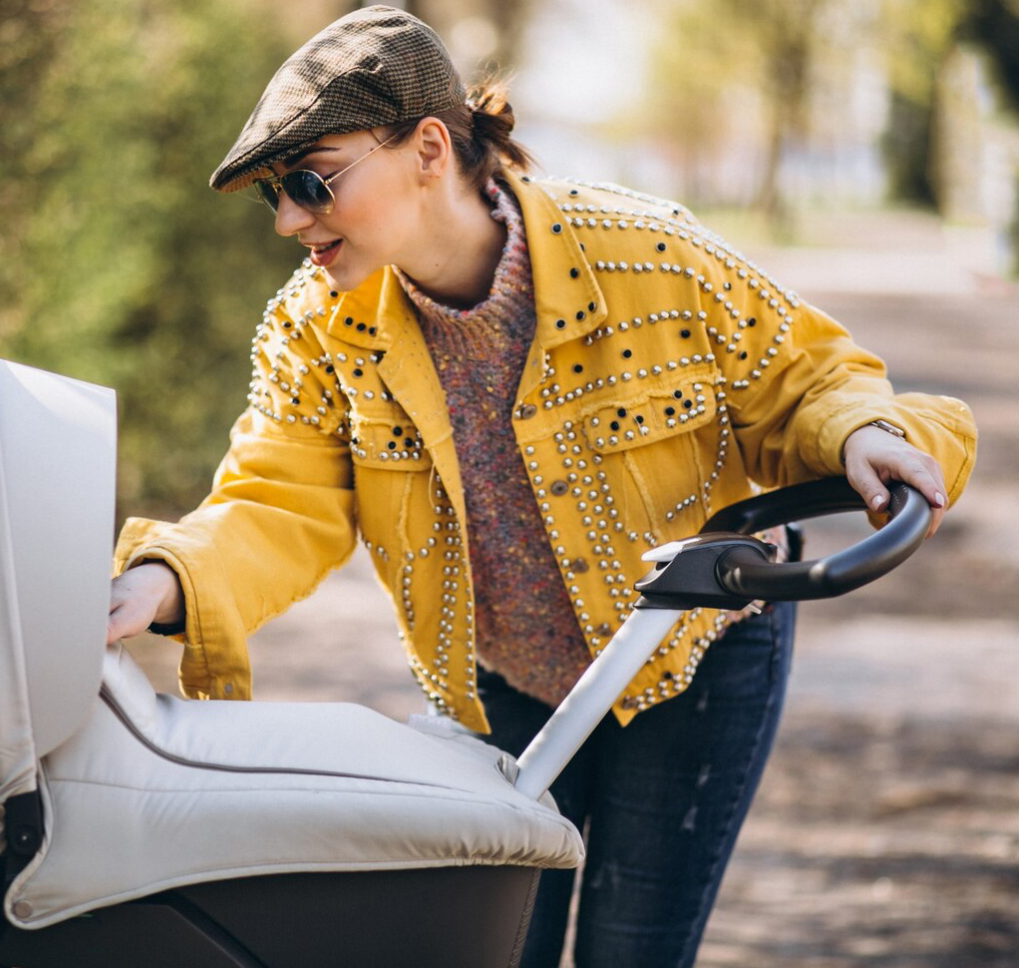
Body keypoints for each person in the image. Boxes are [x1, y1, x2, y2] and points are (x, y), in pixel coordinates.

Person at [104, 7, 977, 967]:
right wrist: (161, 580)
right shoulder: (317, 331)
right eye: (274, 192)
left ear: (429, 148)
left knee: (632, 953)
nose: (288, 219)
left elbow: (805, 380)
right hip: (501, 683)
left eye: (313, 181)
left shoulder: (648, 255)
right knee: (496, 950)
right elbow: (274, 500)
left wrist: (870, 433)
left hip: (691, 663)